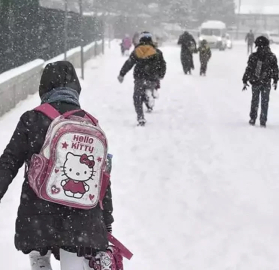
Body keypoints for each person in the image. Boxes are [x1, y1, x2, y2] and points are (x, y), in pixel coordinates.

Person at [0, 61, 114, 269]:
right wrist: (107, 222)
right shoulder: (90, 124)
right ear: (75, 89)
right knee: (74, 260)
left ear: (44, 88)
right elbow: (102, 179)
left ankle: (40, 260)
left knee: (39, 252)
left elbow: (8, 162)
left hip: (38, 214)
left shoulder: (32, 119)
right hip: (81, 221)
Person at [118, 31, 167, 126]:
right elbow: (163, 65)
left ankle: (140, 117)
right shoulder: (157, 52)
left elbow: (129, 63)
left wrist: (121, 74)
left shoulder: (137, 51)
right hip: (153, 78)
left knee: (137, 97)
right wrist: (161, 75)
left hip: (139, 78)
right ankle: (150, 96)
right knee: (148, 90)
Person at [242, 36, 279, 127]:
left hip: (255, 81)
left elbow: (249, 69)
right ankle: (263, 119)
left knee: (255, 100)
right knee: (265, 101)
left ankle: (253, 118)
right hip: (266, 82)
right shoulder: (271, 56)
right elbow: (275, 69)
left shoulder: (254, 56)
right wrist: (275, 79)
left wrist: (245, 79)